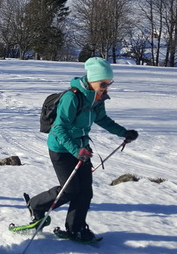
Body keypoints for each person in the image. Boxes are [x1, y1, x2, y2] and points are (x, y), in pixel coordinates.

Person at [26, 57, 138, 241]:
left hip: (81, 148)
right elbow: (59, 128)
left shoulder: (97, 97)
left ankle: (75, 228)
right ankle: (36, 205)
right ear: (92, 79)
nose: (106, 87)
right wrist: (76, 150)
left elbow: (101, 119)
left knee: (85, 191)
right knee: (70, 190)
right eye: (103, 83)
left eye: (109, 83)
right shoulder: (72, 97)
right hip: (61, 148)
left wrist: (123, 132)